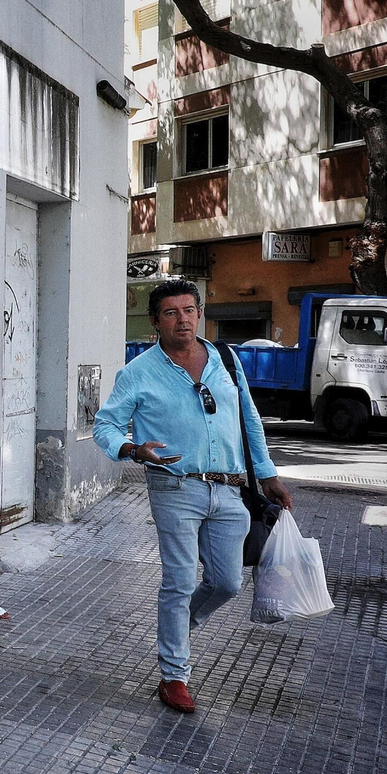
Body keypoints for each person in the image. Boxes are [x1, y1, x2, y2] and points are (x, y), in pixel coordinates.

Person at [93, 280, 293, 715]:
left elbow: (249, 418)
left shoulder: (226, 358)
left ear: (200, 313)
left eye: (189, 310)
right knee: (180, 581)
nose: (182, 319)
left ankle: (176, 630)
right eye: (171, 313)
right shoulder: (138, 372)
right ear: (155, 322)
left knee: (227, 582)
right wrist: (132, 449)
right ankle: (174, 675)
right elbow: (105, 426)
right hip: (174, 486)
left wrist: (268, 474)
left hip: (230, 488)